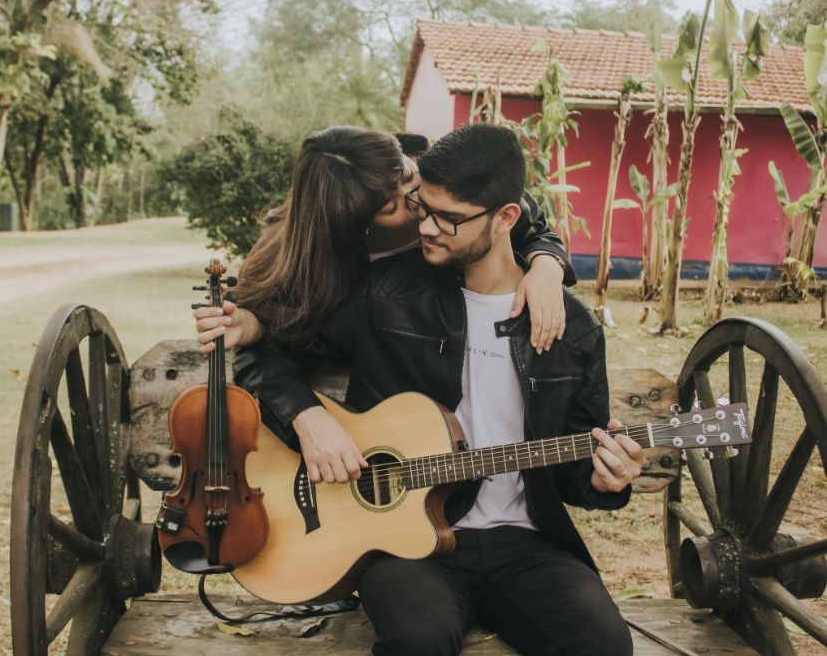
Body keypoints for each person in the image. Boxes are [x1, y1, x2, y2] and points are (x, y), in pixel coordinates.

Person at [232, 123, 642, 655]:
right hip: (408, 545)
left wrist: (608, 480)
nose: (424, 226)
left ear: (506, 219)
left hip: (527, 542)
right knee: (418, 640)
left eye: (446, 219)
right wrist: (307, 415)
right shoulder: (385, 293)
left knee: (604, 647)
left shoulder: (572, 329)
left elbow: (574, 472)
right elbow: (270, 352)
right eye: (421, 208)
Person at [196, 126, 574, 364]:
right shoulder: (311, 259)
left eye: (408, 175)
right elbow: (282, 333)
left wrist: (546, 266)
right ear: (354, 225)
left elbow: (521, 217)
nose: (416, 196)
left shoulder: (445, 184)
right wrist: (255, 325)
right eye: (391, 205)